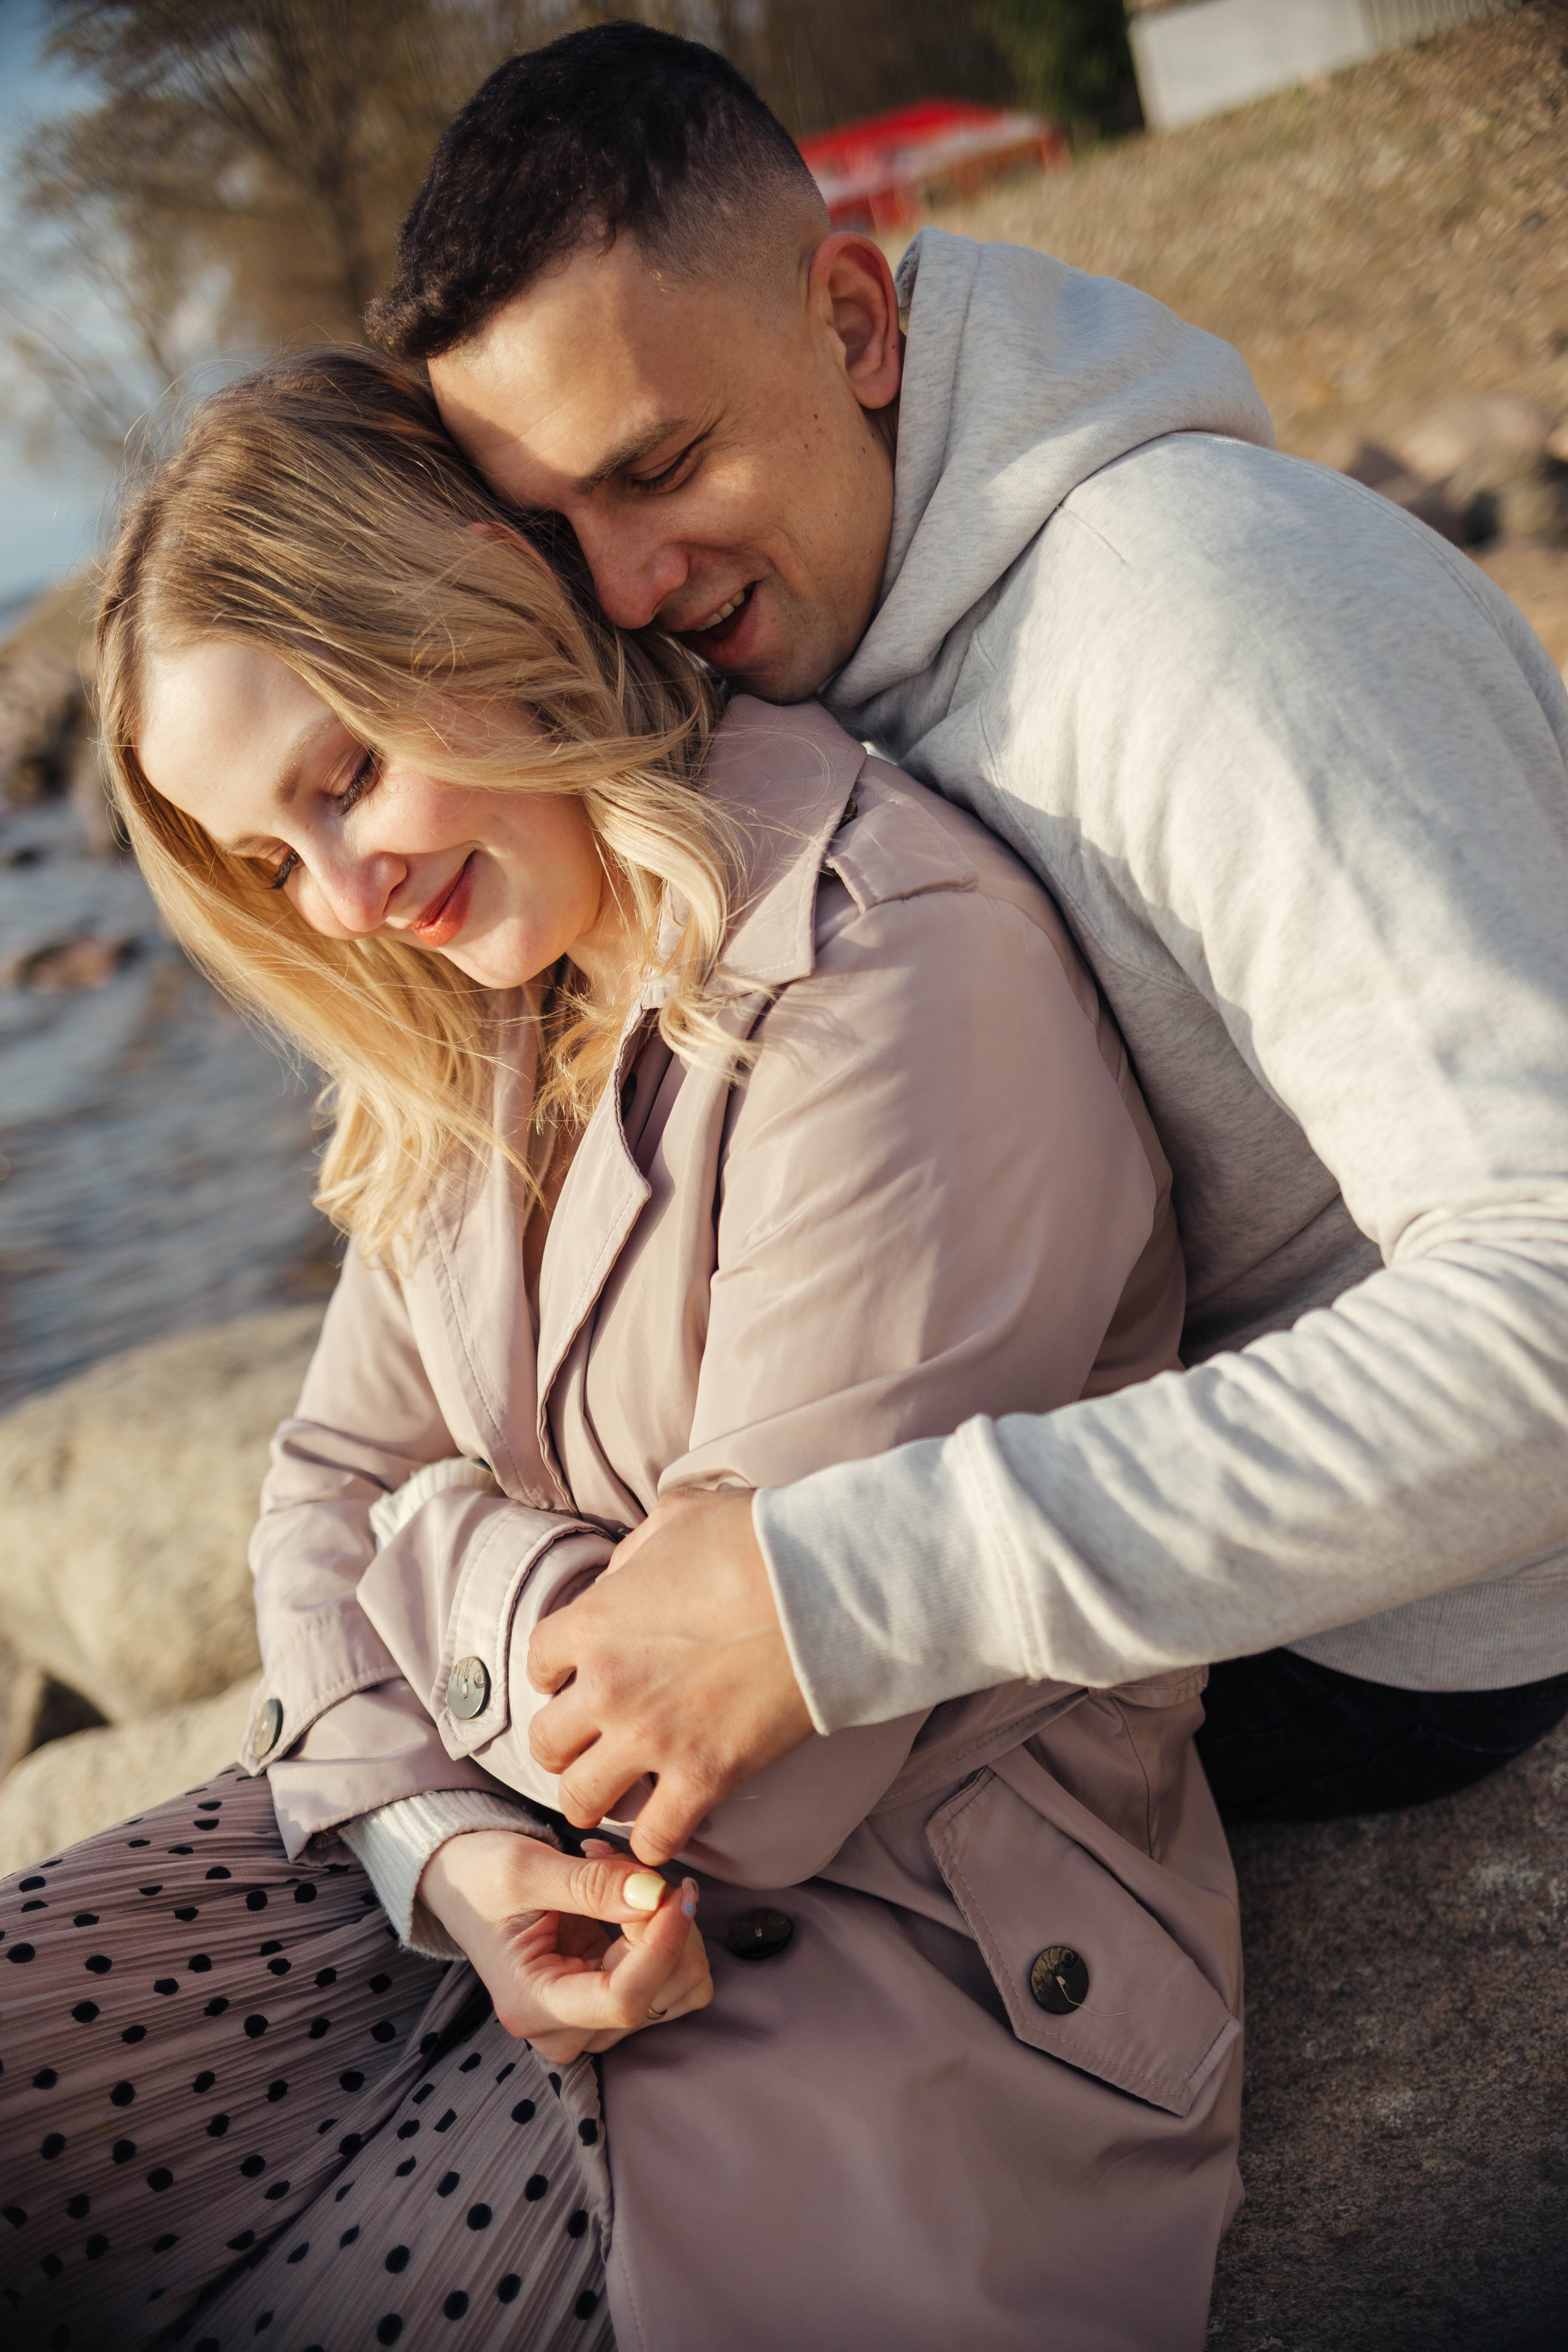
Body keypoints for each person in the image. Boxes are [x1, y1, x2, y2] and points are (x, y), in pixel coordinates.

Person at [0, 352, 1243, 2352]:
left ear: (478, 603)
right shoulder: (479, 1002)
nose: (344, 897)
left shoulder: (891, 966)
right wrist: (437, 1844)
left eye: (342, 781)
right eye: (267, 860)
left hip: (863, 1964)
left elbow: (739, 1763)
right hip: (474, 1869)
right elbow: (316, 1486)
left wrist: (429, 1546)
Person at [361, 23, 1568, 1863]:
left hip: (1408, 1626)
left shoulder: (1202, 622)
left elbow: (1548, 1312)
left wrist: (838, 1591)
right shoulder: (805, 640)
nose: (621, 591)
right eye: (550, 531)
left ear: (854, 323)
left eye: (663, 462)